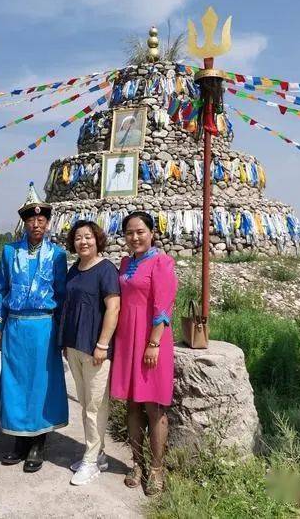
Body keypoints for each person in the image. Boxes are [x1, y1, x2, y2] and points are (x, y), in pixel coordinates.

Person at [0, 182, 68, 473]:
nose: (36, 224)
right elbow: (1, 290)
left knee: (41, 383)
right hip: (15, 326)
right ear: (24, 222)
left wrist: (60, 332)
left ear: (47, 223)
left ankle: (38, 441)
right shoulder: (10, 252)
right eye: (30, 219)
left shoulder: (58, 255)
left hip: (44, 327)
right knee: (15, 381)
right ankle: (18, 440)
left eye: (41, 219)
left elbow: (61, 294)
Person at [110, 211, 178, 495]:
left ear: (151, 233)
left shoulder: (162, 263)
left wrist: (153, 343)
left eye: (140, 231)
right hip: (128, 339)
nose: (134, 237)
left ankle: (157, 469)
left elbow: (163, 307)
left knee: (155, 407)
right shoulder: (125, 263)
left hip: (152, 341)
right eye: (129, 232)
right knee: (133, 406)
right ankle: (137, 462)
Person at [57, 220, 120, 486]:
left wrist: (103, 344)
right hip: (74, 346)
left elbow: (113, 308)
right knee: (86, 405)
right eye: (78, 238)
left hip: (95, 349)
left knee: (95, 406)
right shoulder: (75, 269)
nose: (83, 242)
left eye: (88, 237)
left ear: (98, 240)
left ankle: (91, 461)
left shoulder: (106, 270)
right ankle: (98, 453)